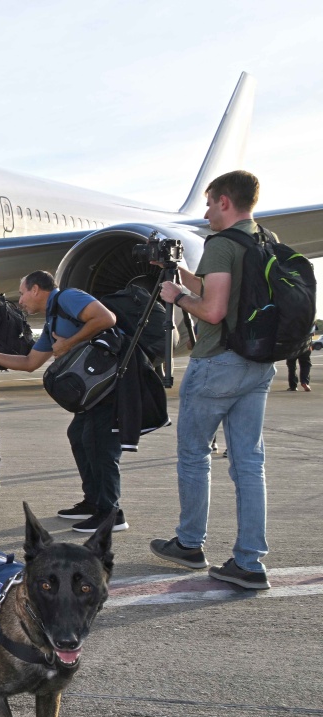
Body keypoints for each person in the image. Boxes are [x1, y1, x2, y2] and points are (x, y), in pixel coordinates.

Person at [149, 170, 276, 590]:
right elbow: (227, 290)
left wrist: (177, 297)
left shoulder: (221, 244)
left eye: (208, 204)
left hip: (217, 364)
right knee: (249, 464)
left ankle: (189, 544)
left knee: (194, 456)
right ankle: (250, 561)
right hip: (256, 365)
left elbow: (215, 311)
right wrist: (182, 273)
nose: (205, 213)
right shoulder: (265, 240)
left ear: (224, 201)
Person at [0, 270, 127, 532]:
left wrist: (69, 344)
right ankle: (94, 502)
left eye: (22, 293)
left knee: (100, 445)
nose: (19, 300)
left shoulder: (69, 298)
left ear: (36, 290)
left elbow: (106, 318)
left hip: (111, 386)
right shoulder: (53, 320)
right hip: (93, 394)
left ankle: (112, 513)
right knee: (78, 434)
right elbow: (31, 362)